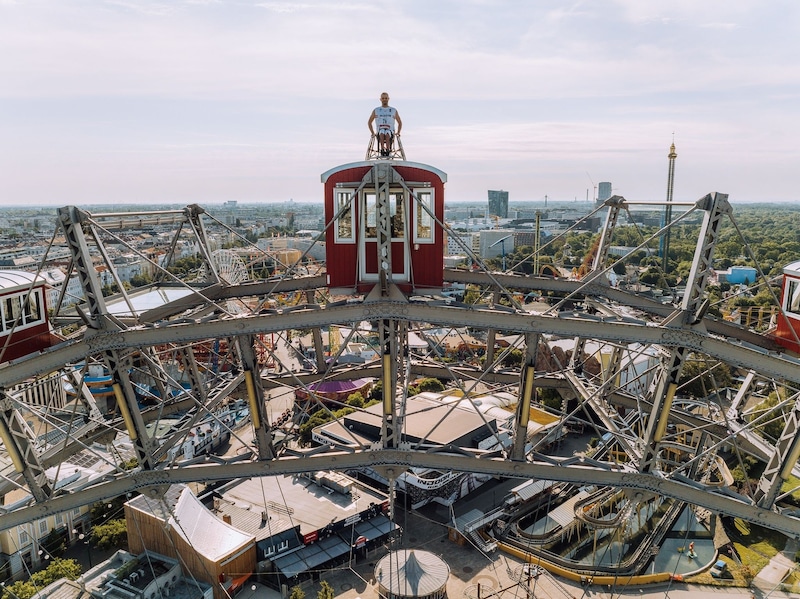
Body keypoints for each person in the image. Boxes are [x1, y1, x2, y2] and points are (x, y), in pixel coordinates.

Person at [368, 92, 402, 156]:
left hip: (390, 130)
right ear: (380, 99)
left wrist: (398, 132)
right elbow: (369, 122)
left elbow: (399, 122)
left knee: (387, 133)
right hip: (380, 130)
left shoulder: (393, 110)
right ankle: (382, 149)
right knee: (382, 132)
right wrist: (372, 132)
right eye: (383, 98)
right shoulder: (376, 110)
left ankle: (388, 149)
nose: (384, 100)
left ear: (388, 99)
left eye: (386, 98)